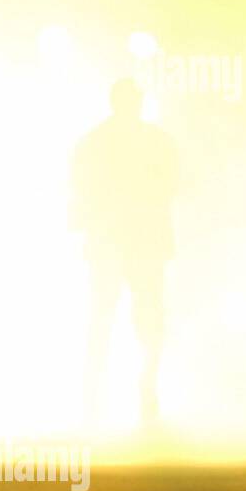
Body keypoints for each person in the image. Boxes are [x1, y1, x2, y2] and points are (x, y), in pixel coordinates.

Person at [70, 78, 178, 431]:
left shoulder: (96, 142)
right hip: (129, 241)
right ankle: (127, 392)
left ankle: (107, 394)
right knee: (132, 319)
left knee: (119, 318)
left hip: (122, 241)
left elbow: (79, 189)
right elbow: (175, 184)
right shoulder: (154, 141)